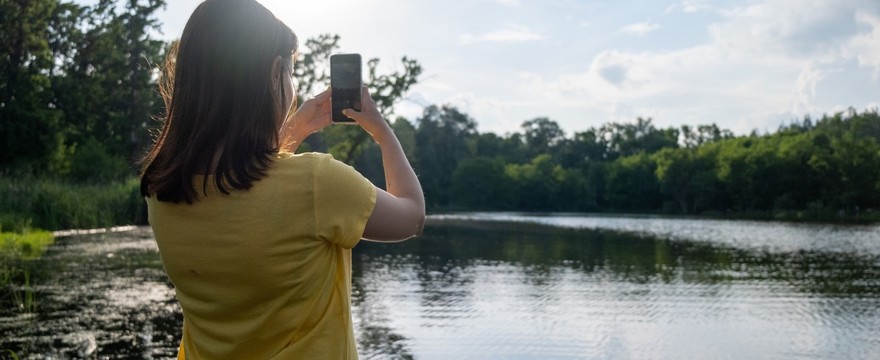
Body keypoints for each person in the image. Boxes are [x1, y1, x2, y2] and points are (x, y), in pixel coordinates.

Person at [139, 0, 425, 359]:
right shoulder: (318, 183)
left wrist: (295, 129)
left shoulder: (161, 190)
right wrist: (382, 131)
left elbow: (244, 186)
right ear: (276, 73)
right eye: (291, 74)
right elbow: (412, 216)